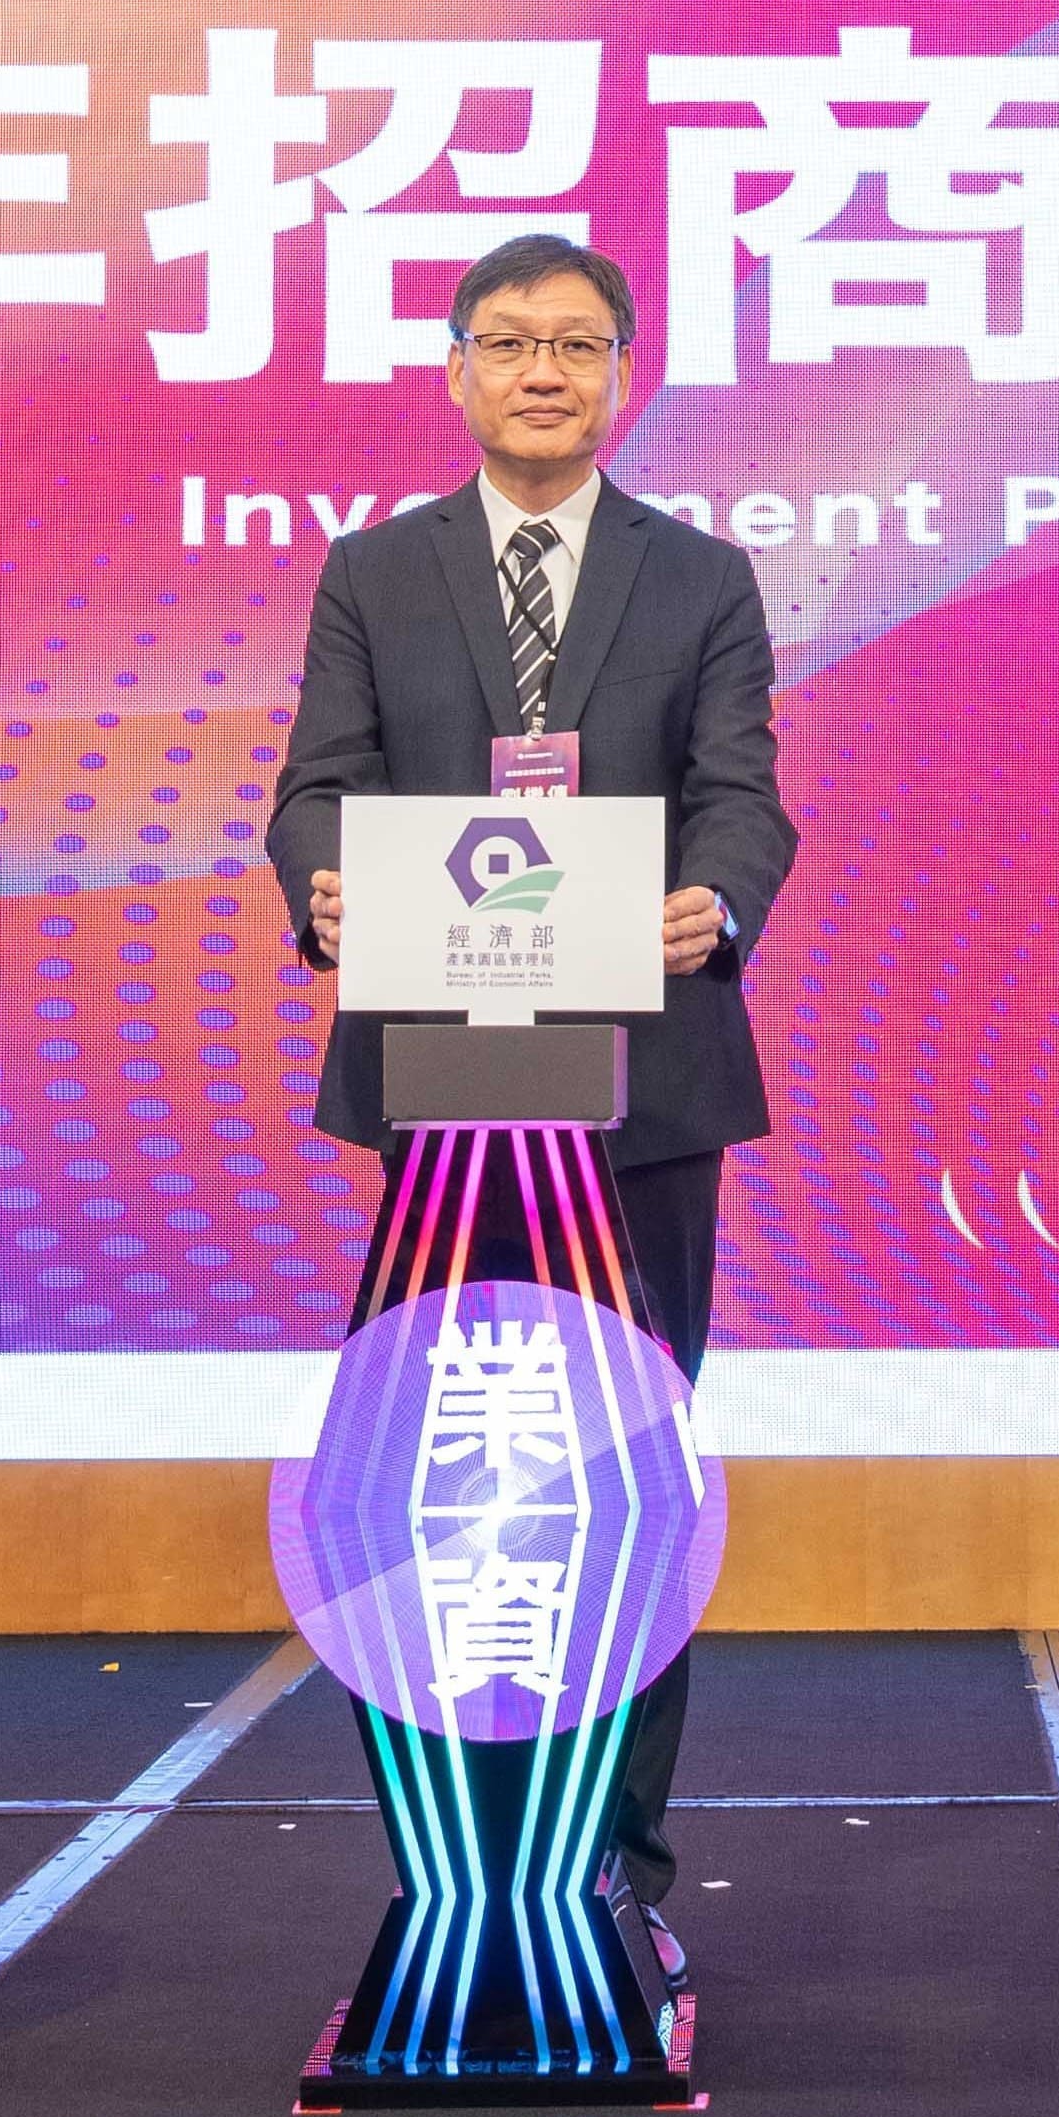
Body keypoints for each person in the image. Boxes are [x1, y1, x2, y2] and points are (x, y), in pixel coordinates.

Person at [266, 233, 795, 1996]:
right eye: (509, 342)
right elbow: (317, 787)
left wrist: (715, 901)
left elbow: (743, 794)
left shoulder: (700, 573)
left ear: (624, 374)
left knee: (627, 1480)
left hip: (640, 1094)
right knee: (436, 1471)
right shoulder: (376, 568)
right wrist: (327, 883)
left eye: (577, 343)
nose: (544, 371)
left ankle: (616, 1868)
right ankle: (451, 1863)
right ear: (457, 371)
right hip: (442, 1091)